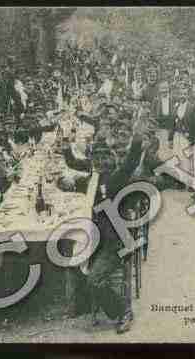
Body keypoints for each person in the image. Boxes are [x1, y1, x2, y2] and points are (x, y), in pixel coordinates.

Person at [86, 115, 145, 334]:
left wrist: (137, 138)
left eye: (105, 158)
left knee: (93, 281)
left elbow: (130, 161)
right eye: (97, 159)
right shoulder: (93, 180)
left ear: (112, 161)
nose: (101, 162)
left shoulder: (115, 179)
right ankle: (83, 303)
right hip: (94, 239)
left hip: (115, 243)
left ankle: (123, 312)